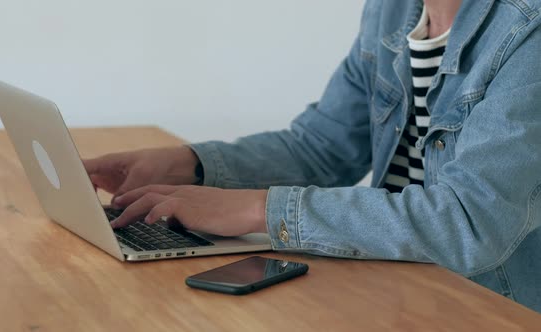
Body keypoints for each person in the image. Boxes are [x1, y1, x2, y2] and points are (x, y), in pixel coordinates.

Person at [84, 0, 541, 312]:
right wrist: (190, 164)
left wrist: (258, 209)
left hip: (491, 307)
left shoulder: (529, 30)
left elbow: (470, 223)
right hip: (405, 288)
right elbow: (323, 146)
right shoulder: (394, 11)